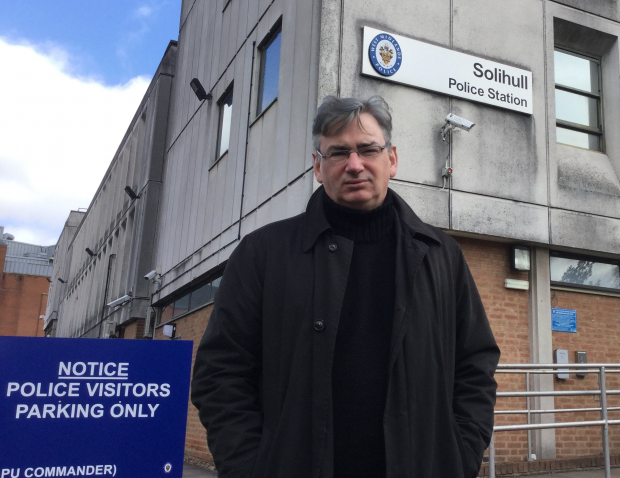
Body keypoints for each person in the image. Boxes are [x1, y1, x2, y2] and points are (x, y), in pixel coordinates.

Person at [191, 95, 500, 478]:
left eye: (368, 149)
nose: (355, 165)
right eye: (338, 153)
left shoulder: (442, 255)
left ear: (392, 159)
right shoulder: (263, 255)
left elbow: (475, 364)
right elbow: (219, 372)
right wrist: (248, 468)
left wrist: (460, 454)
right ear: (318, 167)